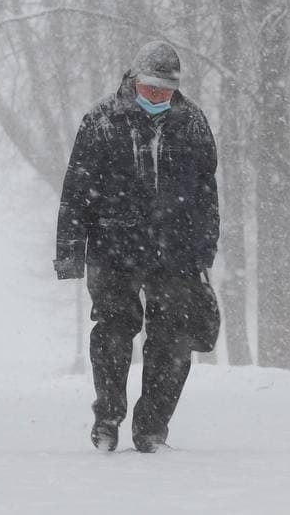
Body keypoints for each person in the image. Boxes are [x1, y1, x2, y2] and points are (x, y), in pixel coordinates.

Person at [54, 40, 219, 453]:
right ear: (133, 80)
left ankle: (152, 428)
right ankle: (108, 417)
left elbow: (206, 192)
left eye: (165, 89)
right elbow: (76, 191)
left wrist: (204, 249)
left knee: (173, 338)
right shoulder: (101, 122)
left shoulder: (193, 123)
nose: (157, 96)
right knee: (112, 331)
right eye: (150, 88)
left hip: (176, 252)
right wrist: (71, 252)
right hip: (114, 248)